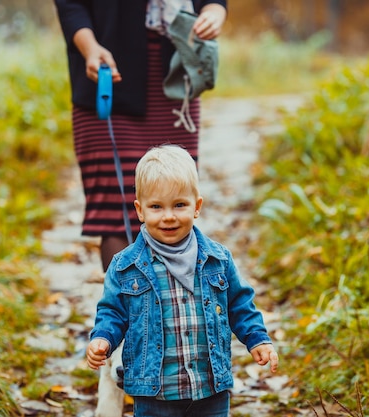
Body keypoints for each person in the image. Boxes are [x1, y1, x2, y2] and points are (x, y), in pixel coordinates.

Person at [86, 145, 279, 417]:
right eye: (156, 206)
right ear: (140, 210)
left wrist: (257, 339)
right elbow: (112, 312)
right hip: (154, 393)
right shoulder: (124, 266)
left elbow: (240, 304)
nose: (168, 216)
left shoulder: (218, 259)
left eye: (179, 205)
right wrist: (103, 338)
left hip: (208, 388)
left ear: (197, 206)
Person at [54, 0, 228, 271]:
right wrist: (89, 47)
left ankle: (174, 309)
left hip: (175, 74)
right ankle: (127, 311)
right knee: (116, 212)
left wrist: (214, 11)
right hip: (108, 71)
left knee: (172, 203)